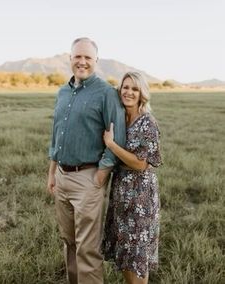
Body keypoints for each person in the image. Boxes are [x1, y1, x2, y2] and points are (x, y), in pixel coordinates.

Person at [47, 37, 126, 284]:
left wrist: (101, 175)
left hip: (88, 179)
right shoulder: (62, 91)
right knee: (69, 242)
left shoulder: (106, 94)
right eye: (77, 56)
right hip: (61, 176)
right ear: (70, 59)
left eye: (87, 57)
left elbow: (118, 139)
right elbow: (56, 134)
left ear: (96, 61)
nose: (82, 62)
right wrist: (52, 173)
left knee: (87, 248)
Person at [102, 72, 162, 284]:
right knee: (125, 249)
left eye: (134, 89)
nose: (128, 92)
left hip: (140, 197)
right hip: (121, 192)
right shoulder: (120, 119)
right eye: (125, 87)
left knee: (137, 252)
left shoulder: (148, 123)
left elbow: (140, 163)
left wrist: (112, 145)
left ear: (141, 94)